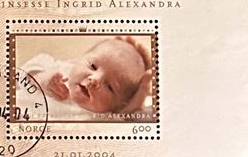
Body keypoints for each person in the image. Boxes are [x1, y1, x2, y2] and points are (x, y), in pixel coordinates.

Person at [18, 34, 153, 118]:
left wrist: (140, 94)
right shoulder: (59, 70)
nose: (95, 79)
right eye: (92, 66)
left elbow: (128, 116)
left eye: (110, 87)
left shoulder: (104, 117)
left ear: (117, 106)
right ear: (79, 59)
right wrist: (40, 78)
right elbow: (20, 74)